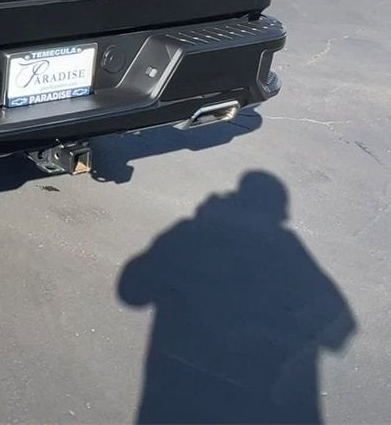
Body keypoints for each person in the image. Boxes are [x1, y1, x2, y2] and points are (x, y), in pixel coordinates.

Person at [118, 171, 356, 424]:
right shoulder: (287, 249)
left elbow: (132, 292)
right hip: (255, 400)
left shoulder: (191, 234)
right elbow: (339, 325)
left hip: (178, 392)